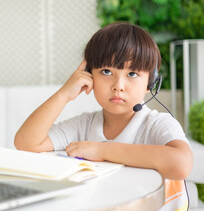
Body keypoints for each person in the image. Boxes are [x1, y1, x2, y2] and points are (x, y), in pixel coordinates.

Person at [14, 22, 192, 210]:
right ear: (90, 75)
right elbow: (27, 143)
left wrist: (102, 151)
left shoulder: (157, 124)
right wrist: (64, 94)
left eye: (132, 74)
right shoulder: (84, 125)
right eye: (106, 72)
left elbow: (181, 163)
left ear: (151, 82)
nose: (118, 85)